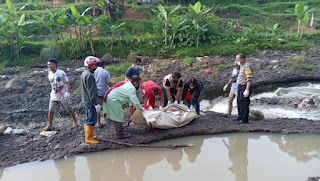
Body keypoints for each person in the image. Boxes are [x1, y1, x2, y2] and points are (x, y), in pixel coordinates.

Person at [44, 58, 78, 131]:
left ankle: (75, 121)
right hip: (54, 94)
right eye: (48, 65)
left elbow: (67, 82)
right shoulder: (49, 74)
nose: (49, 66)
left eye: (50, 64)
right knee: (51, 110)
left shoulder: (61, 73)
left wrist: (67, 91)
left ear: (55, 64)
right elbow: (51, 83)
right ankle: (49, 125)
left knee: (68, 108)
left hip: (62, 94)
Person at [104, 75, 142, 139]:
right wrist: (140, 108)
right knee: (118, 115)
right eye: (138, 83)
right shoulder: (131, 88)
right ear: (135, 82)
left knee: (115, 114)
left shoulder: (127, 83)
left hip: (111, 96)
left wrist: (136, 105)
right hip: (114, 99)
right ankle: (120, 133)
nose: (138, 84)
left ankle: (118, 128)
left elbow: (130, 98)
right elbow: (134, 99)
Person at [81, 56, 101, 144]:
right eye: (95, 65)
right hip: (90, 101)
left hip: (86, 99)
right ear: (91, 65)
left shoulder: (84, 73)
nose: (96, 67)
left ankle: (89, 135)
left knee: (88, 117)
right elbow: (92, 91)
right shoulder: (89, 76)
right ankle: (88, 138)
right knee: (91, 118)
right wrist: (96, 103)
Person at [94, 61, 113, 128]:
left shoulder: (94, 72)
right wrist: (113, 87)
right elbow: (108, 83)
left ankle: (98, 122)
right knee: (105, 104)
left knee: (98, 107)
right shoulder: (105, 72)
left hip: (95, 91)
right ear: (103, 65)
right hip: (103, 91)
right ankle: (104, 117)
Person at [236, 53, 253, 124]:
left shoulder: (247, 66)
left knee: (244, 104)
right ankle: (240, 117)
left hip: (244, 86)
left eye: (238, 59)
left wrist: (247, 89)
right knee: (239, 103)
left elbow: (249, 79)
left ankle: (244, 119)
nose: (237, 61)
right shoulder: (242, 65)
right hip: (239, 87)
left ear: (242, 59)